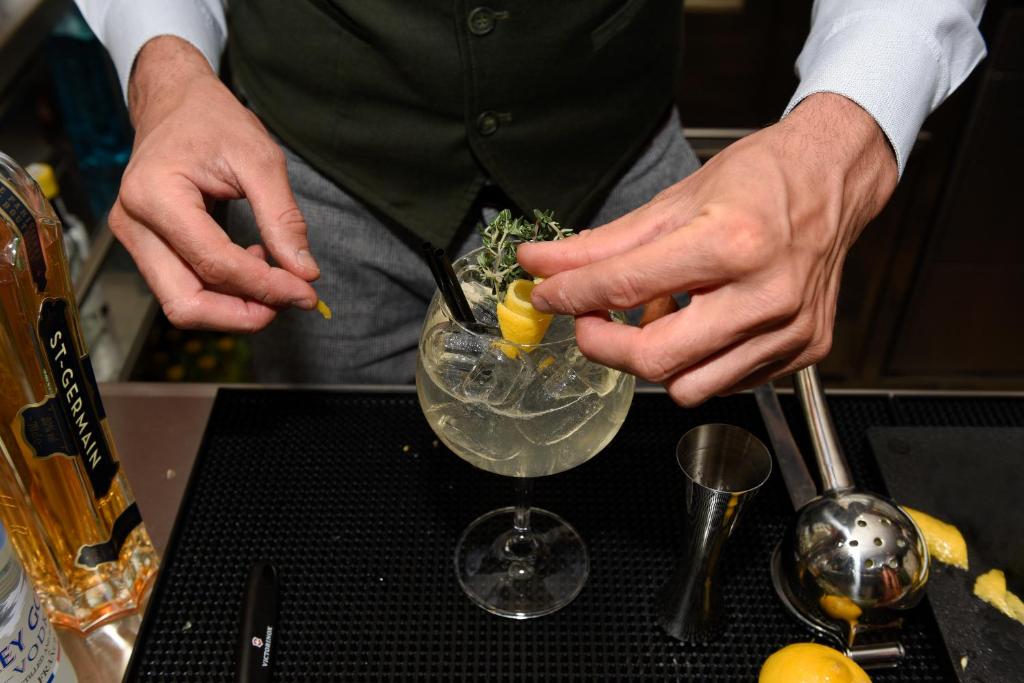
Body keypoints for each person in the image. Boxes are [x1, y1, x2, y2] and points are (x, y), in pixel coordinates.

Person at [75, 1, 985, 404]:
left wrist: (839, 146)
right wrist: (164, 64)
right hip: (310, 190)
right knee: (354, 505)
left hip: (627, 181)